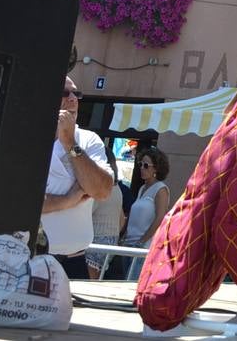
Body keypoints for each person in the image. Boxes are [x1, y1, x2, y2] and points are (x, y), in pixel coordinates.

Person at [42, 76, 114, 278]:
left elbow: (101, 190)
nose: (73, 99)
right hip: (33, 257)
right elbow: (17, 200)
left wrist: (69, 144)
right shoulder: (27, 137)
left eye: (77, 93)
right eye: (65, 93)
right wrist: (67, 200)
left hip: (74, 261)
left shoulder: (89, 140)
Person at [123, 147, 171, 280]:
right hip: (129, 245)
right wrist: (124, 237)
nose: (142, 168)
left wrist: (142, 241)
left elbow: (161, 217)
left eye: (146, 165)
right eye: (140, 164)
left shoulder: (161, 189)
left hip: (143, 248)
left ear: (156, 168)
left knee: (133, 283)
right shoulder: (142, 188)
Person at [86, 147, 124, 279]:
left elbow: (87, 213)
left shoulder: (101, 188)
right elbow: (122, 219)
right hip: (112, 238)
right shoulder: (117, 188)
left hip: (97, 238)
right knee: (98, 281)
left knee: (91, 283)